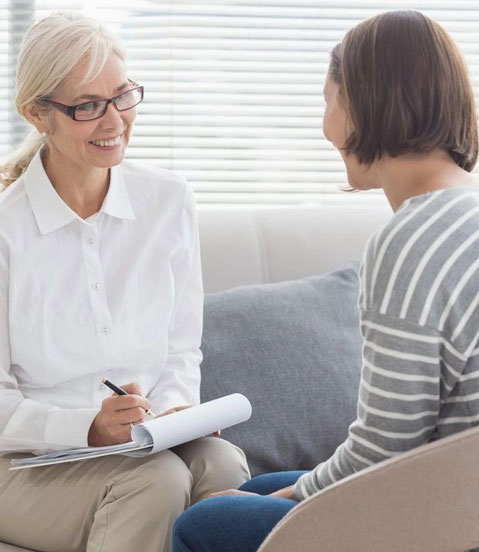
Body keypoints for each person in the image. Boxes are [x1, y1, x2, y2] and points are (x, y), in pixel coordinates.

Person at [172, 9, 479, 552]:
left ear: (365, 104)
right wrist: (281, 493)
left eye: (328, 99)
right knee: (259, 486)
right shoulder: (466, 214)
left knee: (201, 524)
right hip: (453, 492)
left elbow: (385, 449)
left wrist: (290, 500)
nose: (324, 125)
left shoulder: (409, 242)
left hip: (440, 518)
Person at [0, 12, 249, 552]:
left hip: (143, 443)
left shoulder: (169, 200)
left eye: (123, 96)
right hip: (22, 465)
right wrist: (86, 428)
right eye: (88, 106)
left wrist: (179, 409)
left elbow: (182, 347)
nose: (114, 121)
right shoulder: (6, 231)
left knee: (221, 463)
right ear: (37, 114)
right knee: (157, 482)